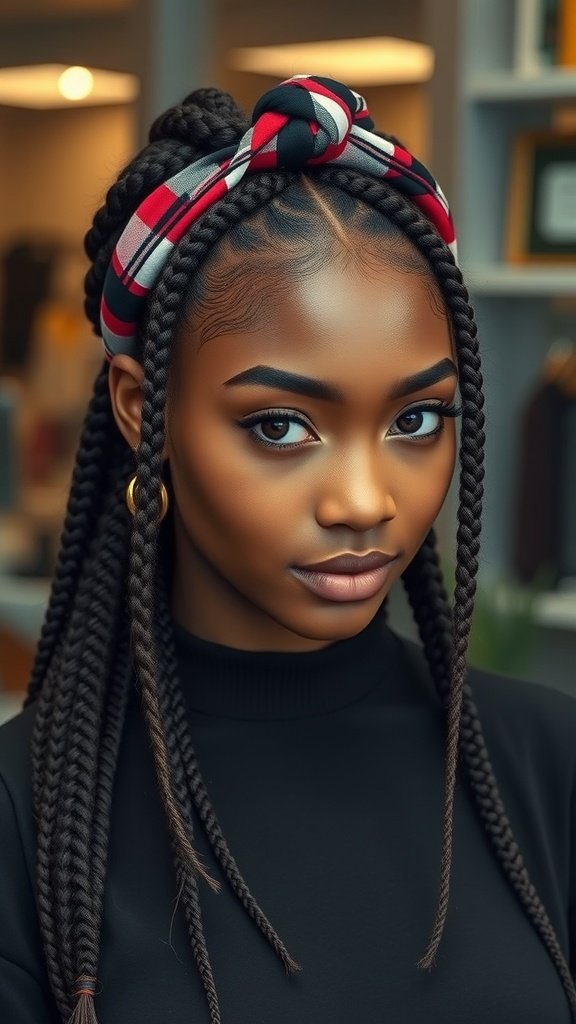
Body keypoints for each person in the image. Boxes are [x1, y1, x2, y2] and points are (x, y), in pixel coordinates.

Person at [0, 74, 574, 1024]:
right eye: (280, 427)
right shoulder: (32, 819)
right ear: (147, 413)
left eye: (418, 418)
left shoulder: (544, 768)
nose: (365, 501)